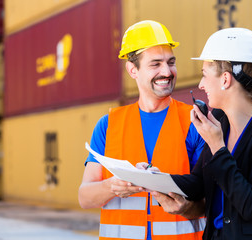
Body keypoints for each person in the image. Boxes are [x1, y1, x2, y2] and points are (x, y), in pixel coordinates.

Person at [151, 27, 252, 240]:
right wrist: (151, 178)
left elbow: (250, 206)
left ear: (225, 79)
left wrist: (217, 146)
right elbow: (197, 184)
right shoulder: (220, 122)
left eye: (204, 76)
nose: (200, 85)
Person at [78, 20, 206, 240]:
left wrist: (184, 207)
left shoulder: (195, 122)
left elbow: (211, 202)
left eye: (171, 62)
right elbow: (85, 197)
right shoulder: (108, 125)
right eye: (155, 64)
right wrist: (113, 186)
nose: (167, 71)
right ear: (133, 70)